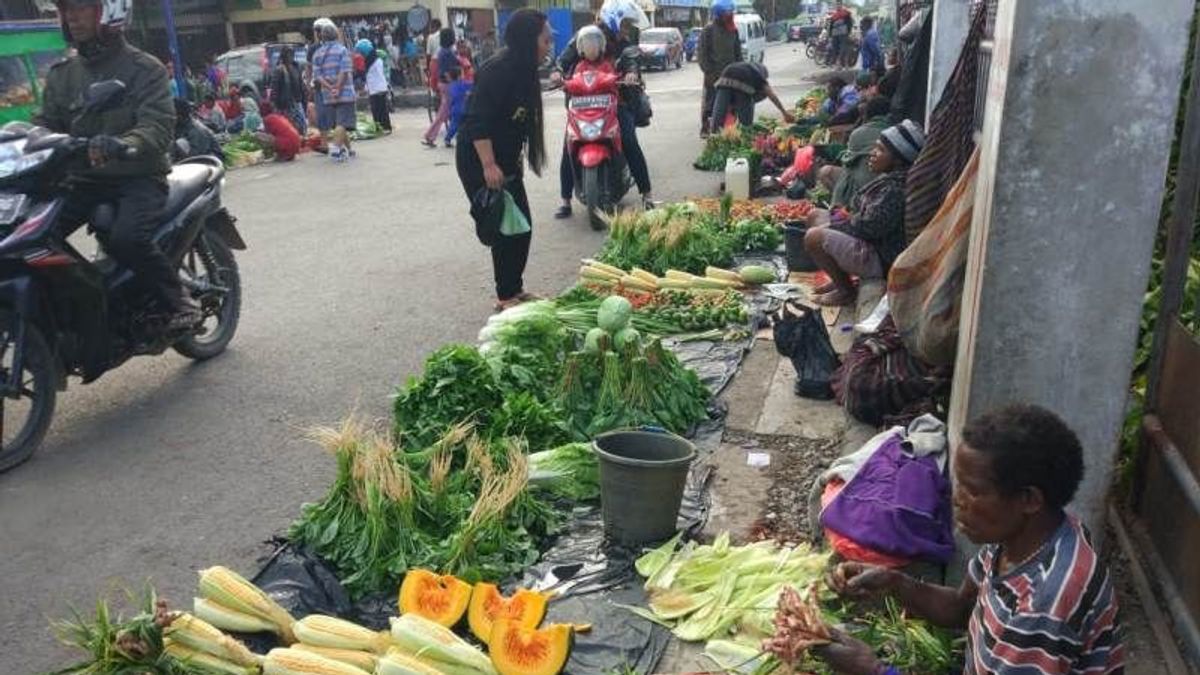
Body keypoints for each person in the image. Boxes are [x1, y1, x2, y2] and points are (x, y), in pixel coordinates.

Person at [818, 404, 1125, 675]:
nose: (957, 500)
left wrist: (873, 669)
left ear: (1028, 499)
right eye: (958, 485)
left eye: (973, 491)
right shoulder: (1024, 536)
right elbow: (962, 607)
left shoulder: (1041, 608)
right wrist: (894, 583)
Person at [36, 0, 199, 329]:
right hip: (84, 180)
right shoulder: (62, 75)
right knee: (33, 233)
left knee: (126, 238)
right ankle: (86, 300)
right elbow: (44, 126)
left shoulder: (144, 69)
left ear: (108, 12)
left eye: (81, 8)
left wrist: (124, 144)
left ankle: (180, 299)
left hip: (137, 177)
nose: (73, 17)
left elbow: (156, 126)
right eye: (67, 10)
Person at [456, 9, 550, 311]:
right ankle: (505, 296)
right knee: (503, 228)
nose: (549, 45)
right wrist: (488, 165)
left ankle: (514, 288)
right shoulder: (498, 70)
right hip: (479, 159)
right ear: (528, 40)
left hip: (506, 161)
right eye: (546, 40)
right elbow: (476, 121)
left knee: (522, 226)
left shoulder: (526, 69)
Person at [803, 119, 923, 306]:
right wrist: (842, 215)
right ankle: (840, 279)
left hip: (881, 256)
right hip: (869, 239)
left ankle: (845, 291)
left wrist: (837, 223)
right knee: (814, 215)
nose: (872, 155)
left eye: (880, 150)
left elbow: (870, 227)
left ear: (898, 159)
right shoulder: (888, 179)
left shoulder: (895, 189)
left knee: (814, 238)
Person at [553, 0, 654, 217]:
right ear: (613, 19)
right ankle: (565, 200)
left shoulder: (624, 42)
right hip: (582, 101)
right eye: (625, 23)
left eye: (629, 24)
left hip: (616, 101)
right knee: (568, 145)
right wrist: (557, 72)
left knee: (628, 140)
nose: (627, 29)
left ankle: (647, 194)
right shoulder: (586, 36)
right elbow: (565, 58)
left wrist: (632, 73)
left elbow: (632, 58)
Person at [827, 95, 891, 208]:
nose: (873, 153)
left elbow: (847, 162)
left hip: (864, 190)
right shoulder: (892, 130)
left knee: (832, 171)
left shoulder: (859, 134)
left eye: (879, 149)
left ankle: (839, 206)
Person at [311, 18, 356, 162]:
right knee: (343, 123)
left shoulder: (317, 54)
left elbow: (317, 76)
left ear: (322, 37)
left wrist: (330, 88)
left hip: (327, 94)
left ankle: (348, 149)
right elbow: (344, 71)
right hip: (345, 93)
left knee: (338, 124)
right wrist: (338, 87)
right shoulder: (342, 50)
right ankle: (336, 150)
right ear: (336, 35)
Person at [709, 61, 796, 131]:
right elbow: (771, 95)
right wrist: (784, 112)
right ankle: (744, 134)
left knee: (718, 115)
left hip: (725, 79)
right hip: (741, 85)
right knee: (746, 125)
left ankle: (713, 135)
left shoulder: (747, 67)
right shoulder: (758, 75)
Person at [697, 0, 741, 136]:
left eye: (731, 13)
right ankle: (706, 127)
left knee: (732, 103)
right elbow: (702, 54)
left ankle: (730, 128)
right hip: (713, 75)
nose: (731, 15)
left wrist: (741, 69)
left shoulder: (733, 30)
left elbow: (737, 52)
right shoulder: (708, 30)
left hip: (731, 74)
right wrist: (708, 71)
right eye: (728, 13)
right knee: (710, 102)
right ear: (719, 15)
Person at [423, 27, 461, 147]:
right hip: (448, 84)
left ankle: (441, 136)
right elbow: (457, 64)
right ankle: (430, 136)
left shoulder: (442, 51)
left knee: (446, 112)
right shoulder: (448, 53)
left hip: (443, 83)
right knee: (447, 112)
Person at [271, 44, 307, 135]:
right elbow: (275, 88)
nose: (291, 56)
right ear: (284, 55)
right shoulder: (279, 70)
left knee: (302, 125)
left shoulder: (296, 67)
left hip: (297, 101)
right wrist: (274, 103)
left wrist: (305, 96)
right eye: (288, 54)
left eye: (292, 54)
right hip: (286, 104)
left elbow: (301, 84)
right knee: (291, 127)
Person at [359, 38, 392, 133]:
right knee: (380, 109)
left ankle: (384, 127)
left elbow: (370, 76)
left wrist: (365, 88)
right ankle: (383, 127)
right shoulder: (376, 59)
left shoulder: (371, 62)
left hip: (376, 88)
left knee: (378, 109)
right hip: (379, 87)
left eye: (362, 53)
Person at [443, 67, 471, 147]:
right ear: (459, 76)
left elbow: (450, 99)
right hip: (464, 108)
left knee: (454, 125)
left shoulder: (450, 86)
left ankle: (447, 139)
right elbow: (473, 85)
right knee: (467, 124)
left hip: (454, 109)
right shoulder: (464, 83)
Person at [828, 0, 854, 67]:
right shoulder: (834, 15)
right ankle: (837, 64)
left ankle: (845, 64)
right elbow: (831, 26)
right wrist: (830, 35)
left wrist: (849, 32)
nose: (838, 6)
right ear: (835, 5)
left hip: (843, 33)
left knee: (844, 49)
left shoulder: (846, 13)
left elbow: (850, 23)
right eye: (836, 4)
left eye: (839, 4)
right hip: (835, 34)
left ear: (842, 5)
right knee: (835, 49)